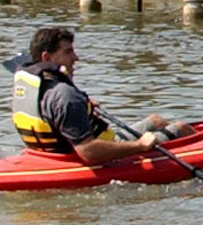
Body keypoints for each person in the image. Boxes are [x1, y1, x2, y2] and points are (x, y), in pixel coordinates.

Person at [11, 26, 188, 164]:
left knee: (156, 121)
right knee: (181, 128)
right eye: (68, 52)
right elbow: (89, 152)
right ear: (47, 58)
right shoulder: (65, 96)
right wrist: (140, 145)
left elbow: (54, 112)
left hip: (51, 155)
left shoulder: (30, 88)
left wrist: (83, 108)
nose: (76, 58)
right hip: (92, 155)